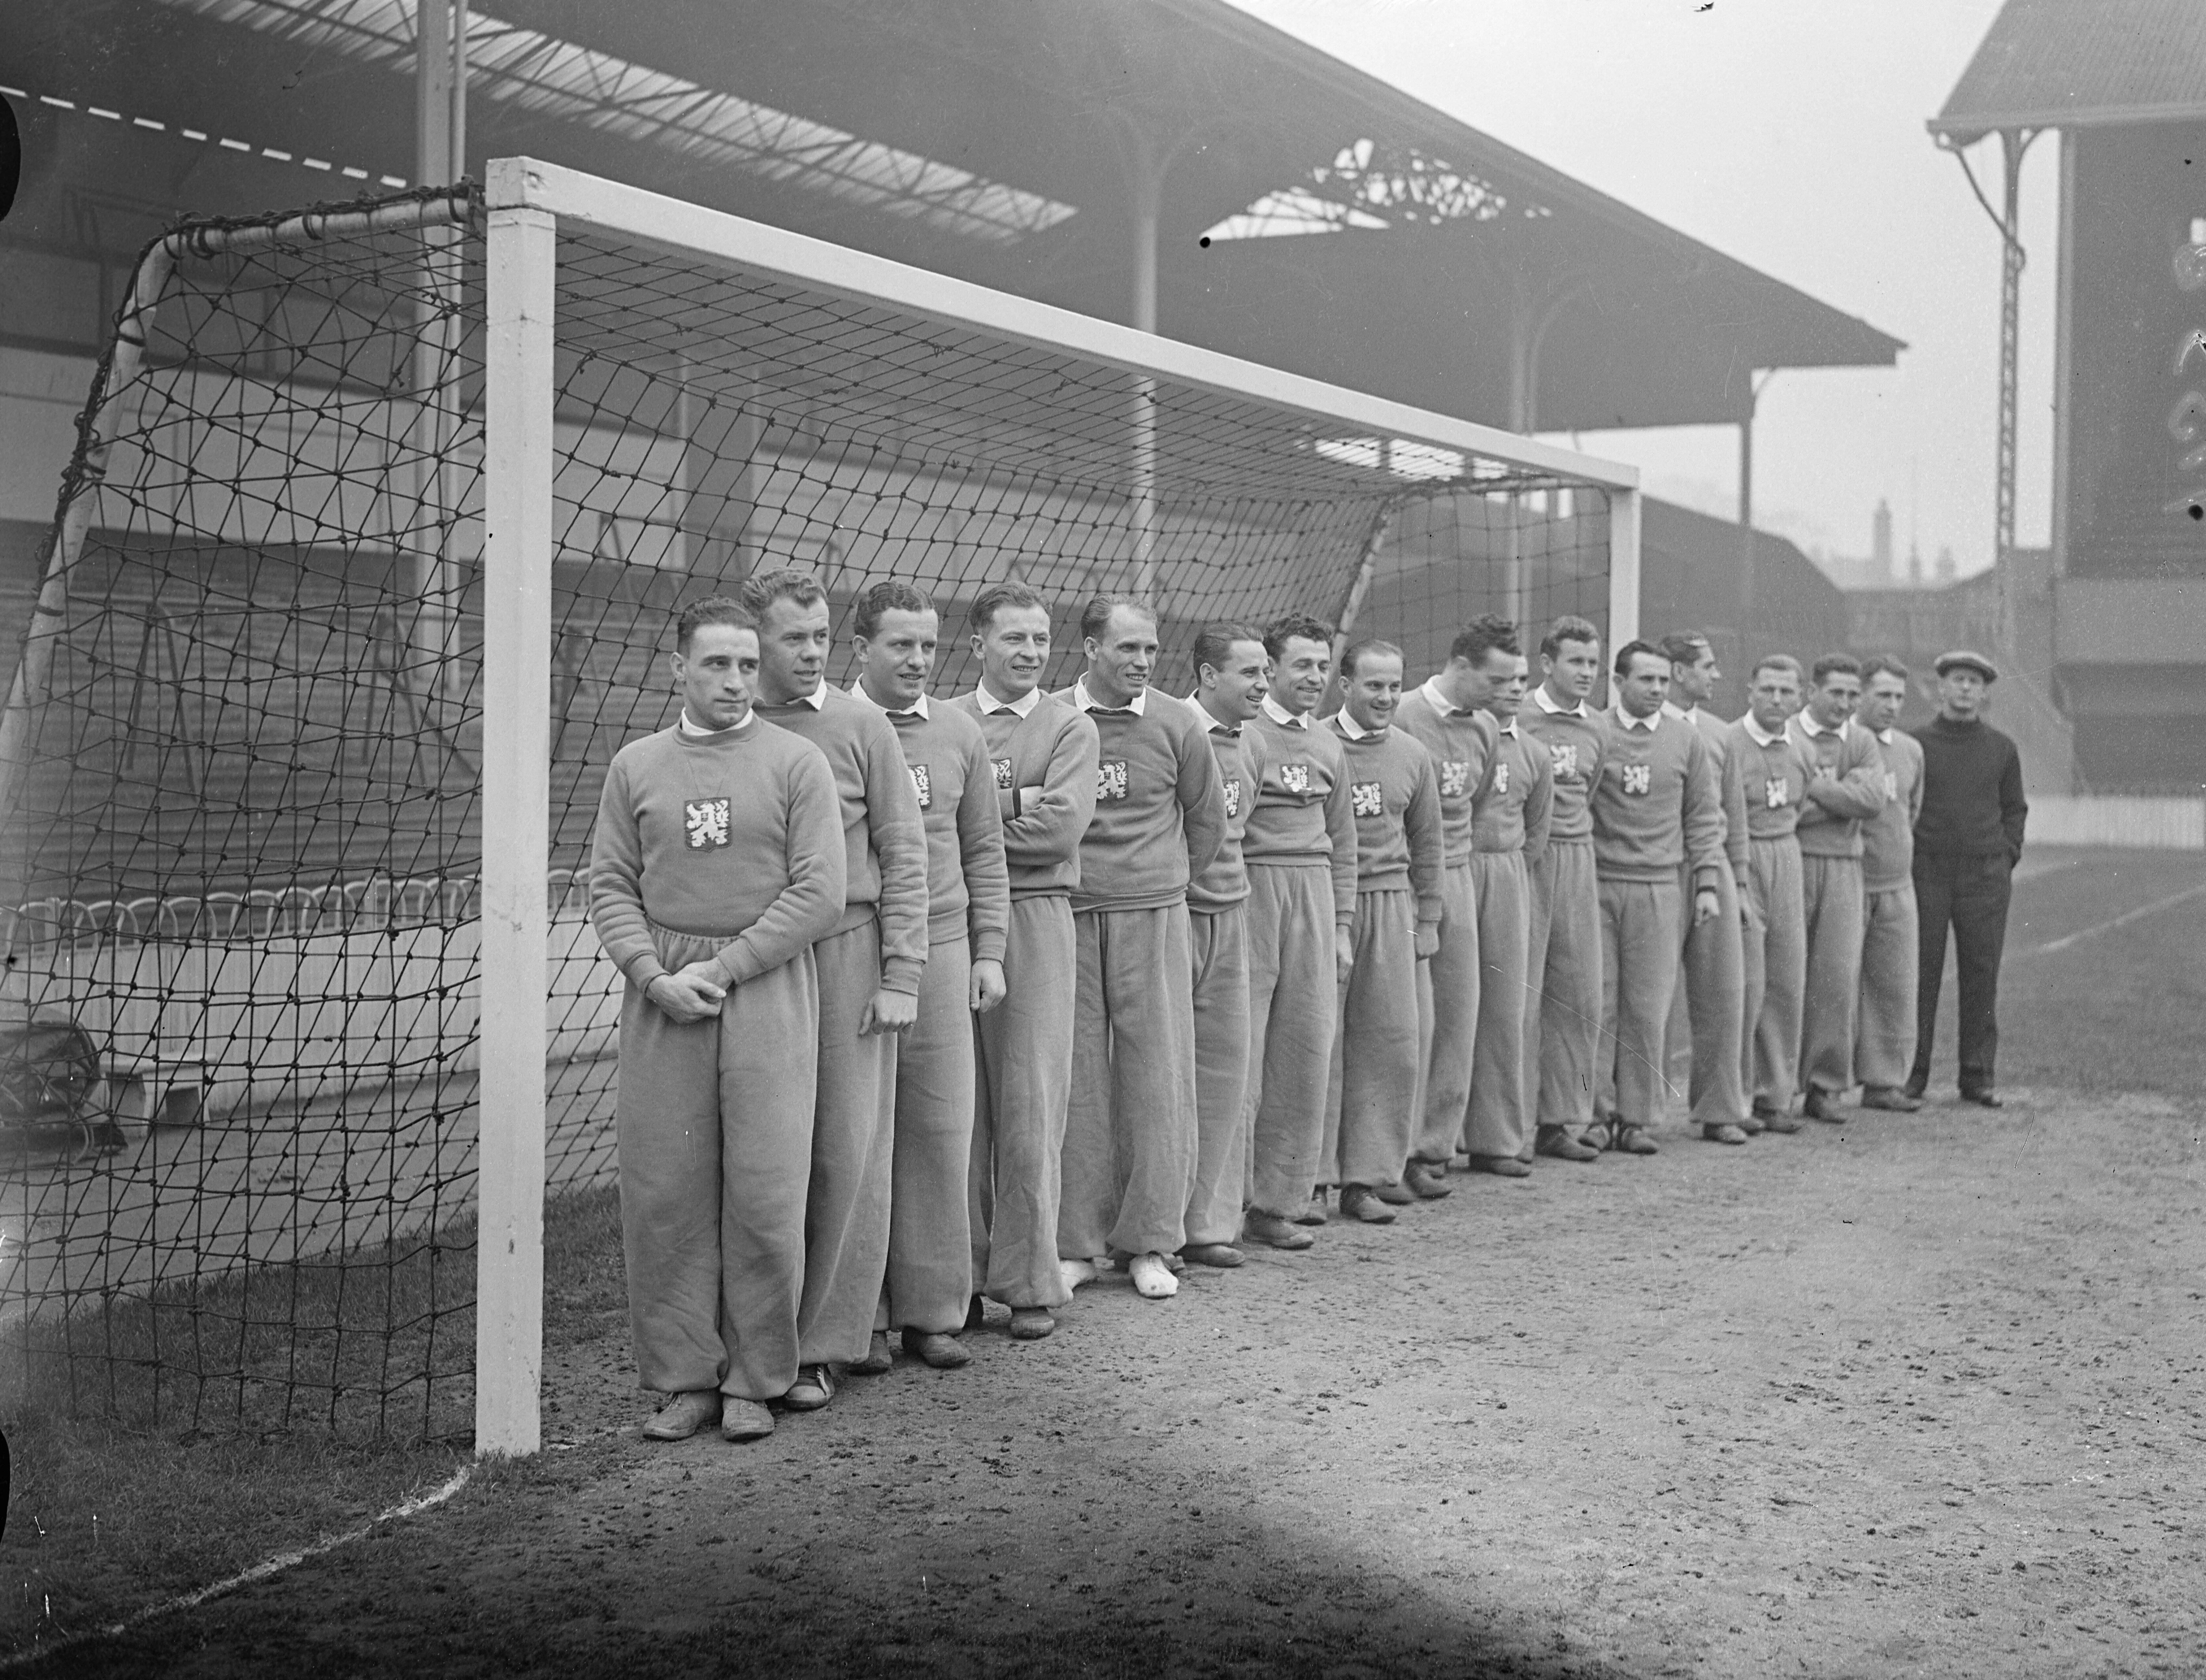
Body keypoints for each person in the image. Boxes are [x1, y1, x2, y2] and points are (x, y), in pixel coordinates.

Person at [589, 597, 847, 1443]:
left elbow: (819, 892)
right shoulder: (636, 765)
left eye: (746, 664)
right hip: (664, 996)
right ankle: (684, 1377)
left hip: (766, 985)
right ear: (678, 668)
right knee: (667, 1188)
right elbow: (611, 885)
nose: (735, 679)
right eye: (716, 664)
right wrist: (651, 975)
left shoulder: (795, 761)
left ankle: (757, 1376)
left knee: (767, 1187)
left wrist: (725, 966)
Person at [740, 568, 929, 1408]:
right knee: (761, 1159)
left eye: (821, 636)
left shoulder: (861, 725)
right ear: (754, 642)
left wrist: (901, 973)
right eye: (794, 638)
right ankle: (749, 1340)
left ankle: (829, 1341)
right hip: (758, 961)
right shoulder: (726, 724)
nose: (812, 652)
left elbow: (905, 851)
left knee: (846, 1152)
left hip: (848, 951)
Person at [846, 582, 1010, 1370]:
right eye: (899, 646)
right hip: (852, 952)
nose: (917, 660)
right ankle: (861, 1318)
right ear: (861, 650)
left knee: (942, 1132)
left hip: (943, 950)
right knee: (855, 1138)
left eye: (927, 645)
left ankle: (933, 1310)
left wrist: (988, 952)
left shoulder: (956, 732)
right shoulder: (826, 731)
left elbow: (984, 849)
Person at [1055, 596, 1228, 1300]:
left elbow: (1207, 821)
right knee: (1077, 1084)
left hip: (1152, 917)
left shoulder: (1178, 721)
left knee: (1157, 1082)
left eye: (1150, 651)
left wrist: (1162, 880)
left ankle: (1151, 1243)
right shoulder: (1055, 720)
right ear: (1092, 649)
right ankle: (1076, 1244)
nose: (1142, 663)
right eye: (1127, 649)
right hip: (1067, 917)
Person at [958, 581, 1099, 1341]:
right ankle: (954, 1284)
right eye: (1015, 639)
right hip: (952, 920)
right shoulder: (945, 724)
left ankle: (1028, 1280)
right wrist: (1016, 804)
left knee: (1029, 1105)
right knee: (954, 1110)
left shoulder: (1069, 728)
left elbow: (1058, 830)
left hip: (1036, 918)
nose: (1030, 653)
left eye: (1041, 641)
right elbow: (917, 821)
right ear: (979, 643)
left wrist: (972, 826)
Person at [1239, 613, 1358, 1247]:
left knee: (1304, 1051)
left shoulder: (1329, 744)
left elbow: (1345, 844)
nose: (1315, 677)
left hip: (1312, 896)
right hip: (1251, 895)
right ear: (1271, 670)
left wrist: (1341, 927)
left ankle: (1279, 1203)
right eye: (1302, 666)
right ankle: (1217, 1208)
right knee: (1241, 1053)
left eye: (1323, 665)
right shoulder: (1241, 734)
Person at [1322, 639, 1444, 1222]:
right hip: (1329, 906)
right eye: (1374, 686)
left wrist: (1428, 919)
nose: (1386, 697)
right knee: (1321, 1045)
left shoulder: (1413, 754)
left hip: (1393, 907)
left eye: (1395, 686)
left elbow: (1428, 845)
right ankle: (1313, 1179)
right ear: (1345, 686)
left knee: (1390, 1045)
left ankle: (1366, 1180)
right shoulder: (1320, 744)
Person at [1591, 641, 1725, 1155]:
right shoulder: (1596, 731)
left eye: (1663, 682)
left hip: (1659, 885)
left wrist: (1708, 884)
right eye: (1645, 680)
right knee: (1598, 1004)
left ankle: (1638, 1118)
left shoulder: (1685, 739)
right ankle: (1595, 1115)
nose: (1656, 690)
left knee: (1648, 1007)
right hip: (1601, 881)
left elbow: (1703, 817)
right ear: (1619, 681)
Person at [1392, 617, 1508, 1196]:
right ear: (1461, 666)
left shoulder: (1486, 728)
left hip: (1458, 877)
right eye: (1495, 678)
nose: (1504, 691)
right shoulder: (1403, 712)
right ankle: (1392, 1151)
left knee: (1459, 1018)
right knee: (1411, 1022)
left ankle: (1433, 1150)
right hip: (1402, 883)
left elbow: (1475, 801)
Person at [1180, 623, 1268, 1264]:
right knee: (1163, 1079)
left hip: (1232, 920)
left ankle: (1208, 1225)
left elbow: (1240, 830)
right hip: (1173, 919)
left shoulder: (1253, 743)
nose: (1263, 685)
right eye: (1249, 674)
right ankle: (1153, 1228)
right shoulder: (1173, 733)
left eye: (1265, 673)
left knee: (1225, 1074)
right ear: (1209, 676)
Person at [1907, 650, 2026, 1107]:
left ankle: (1977, 1076)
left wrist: (2006, 855)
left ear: (1984, 692)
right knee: (1922, 973)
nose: (1965, 689)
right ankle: (1912, 1074)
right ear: (1941, 688)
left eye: (1974, 682)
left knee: (1982, 973)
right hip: (1928, 872)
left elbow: (2015, 809)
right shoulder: (1917, 744)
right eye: (1957, 680)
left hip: (1984, 876)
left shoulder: (2001, 749)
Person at [1660, 633, 1755, 1144]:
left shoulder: (1721, 735)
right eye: (1708, 666)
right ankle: (1636, 1116)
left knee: (1723, 993)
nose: (1717, 675)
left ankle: (1720, 1109)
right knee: (1647, 999)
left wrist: (1736, 880)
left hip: (1712, 867)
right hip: (1656, 866)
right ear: (1679, 672)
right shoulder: (1636, 729)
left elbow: (1732, 814)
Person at [1519, 616, 1607, 1162]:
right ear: (1548, 664)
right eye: (1576, 662)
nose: (1587, 673)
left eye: (1593, 664)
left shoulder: (1598, 728)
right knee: (1517, 993)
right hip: (1528, 859)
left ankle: (1561, 1123)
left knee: (1576, 995)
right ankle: (1505, 1126)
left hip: (1577, 858)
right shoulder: (1519, 717)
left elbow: (1586, 793)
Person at [1463, 639, 1552, 1173]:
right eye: (1503, 680)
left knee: (1504, 1011)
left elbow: (1538, 830)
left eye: (1522, 680)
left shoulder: (1534, 754)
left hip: (1507, 874)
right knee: (1450, 1013)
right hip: (1456, 869)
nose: (1515, 689)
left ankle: (1496, 1140)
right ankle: (1430, 1145)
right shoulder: (1459, 737)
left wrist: (1507, 869)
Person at [1787, 653, 1885, 1123]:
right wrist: (1837, 795)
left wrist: (1818, 790)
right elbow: (1785, 808)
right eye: (1836, 693)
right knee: (1783, 975)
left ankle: (1823, 1086)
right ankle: (1774, 1086)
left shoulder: (1863, 740)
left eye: (1852, 695)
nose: (1844, 703)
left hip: (1846, 867)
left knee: (1837, 977)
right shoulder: (1788, 734)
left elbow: (1871, 801)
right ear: (1812, 691)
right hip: (1793, 860)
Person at [1725, 656, 1814, 1133]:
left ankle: (1775, 1097)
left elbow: (1803, 803)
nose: (1777, 700)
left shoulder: (1799, 747)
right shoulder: (1728, 743)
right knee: (1746, 985)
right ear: (1750, 691)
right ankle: (1736, 1099)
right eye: (1768, 690)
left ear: (1800, 696)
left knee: (1786, 982)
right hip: (1744, 858)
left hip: (1787, 855)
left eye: (1787, 691)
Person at [1852, 657, 1926, 1114]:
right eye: (1883, 695)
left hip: (1897, 885)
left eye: (1899, 696)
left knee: (1895, 986)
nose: (1892, 705)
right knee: (1835, 984)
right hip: (1849, 880)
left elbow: (1910, 812)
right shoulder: (1845, 745)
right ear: (1861, 695)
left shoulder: (1911, 750)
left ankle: (1884, 1082)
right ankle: (1821, 1083)